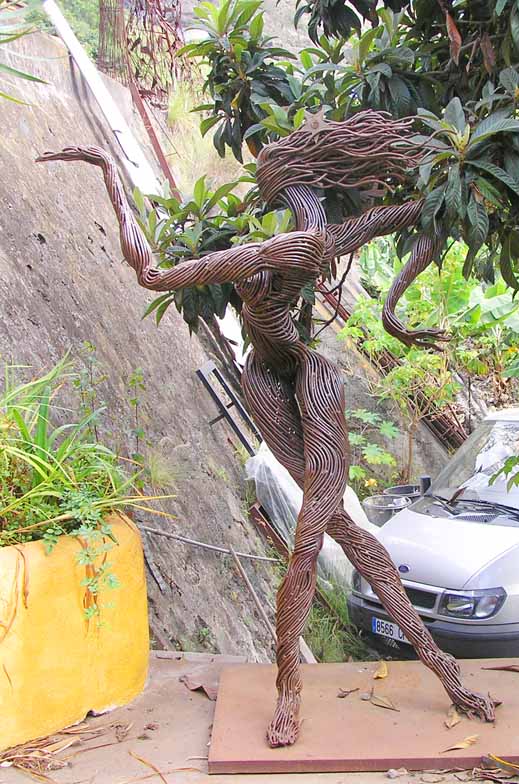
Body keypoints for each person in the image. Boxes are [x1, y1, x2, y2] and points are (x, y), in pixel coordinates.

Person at [37, 109, 495, 748]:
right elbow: (152, 275)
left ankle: (292, 690)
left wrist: (398, 298)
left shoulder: (294, 247)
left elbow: (403, 218)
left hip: (307, 374)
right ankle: (438, 669)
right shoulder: (271, 250)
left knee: (311, 536)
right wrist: (108, 169)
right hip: (260, 379)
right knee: (337, 527)